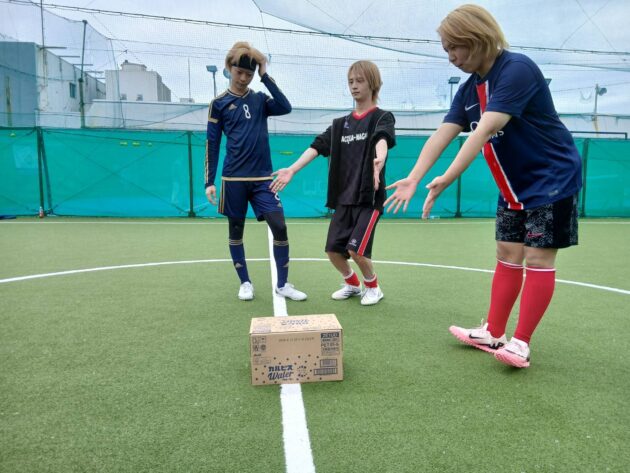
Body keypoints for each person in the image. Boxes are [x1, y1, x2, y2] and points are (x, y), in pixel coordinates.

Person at [384, 4, 582, 368]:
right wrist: (414, 176)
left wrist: (448, 177)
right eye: (446, 49)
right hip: (514, 185)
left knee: (538, 257)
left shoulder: (517, 69)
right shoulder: (469, 89)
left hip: (552, 178)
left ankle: (520, 343)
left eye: (453, 47)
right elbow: (444, 133)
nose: (450, 57)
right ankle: (493, 331)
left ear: (476, 38)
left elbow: (485, 130)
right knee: (507, 252)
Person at [271, 60, 396, 306]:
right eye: (350, 81)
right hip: (343, 198)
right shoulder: (340, 125)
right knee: (333, 251)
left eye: (359, 81)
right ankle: (352, 284)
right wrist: (292, 169)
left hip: (368, 198)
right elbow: (317, 147)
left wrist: (380, 159)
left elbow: (382, 139)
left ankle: (373, 287)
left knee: (356, 250)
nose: (354, 86)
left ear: (373, 83)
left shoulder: (382, 117)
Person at [205, 41, 307, 302]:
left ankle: (282, 284)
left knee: (279, 226)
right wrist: (209, 181)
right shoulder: (218, 103)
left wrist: (264, 74)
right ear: (229, 68)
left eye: (249, 74)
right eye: (239, 72)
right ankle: (245, 282)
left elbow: (285, 106)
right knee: (236, 230)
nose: (243, 78)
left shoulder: (260, 99)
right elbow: (212, 143)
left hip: (263, 179)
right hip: (233, 179)